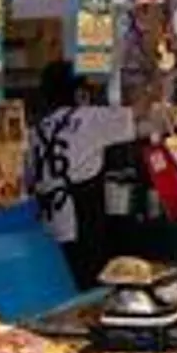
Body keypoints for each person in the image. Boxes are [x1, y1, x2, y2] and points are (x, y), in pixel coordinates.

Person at [29, 59, 135, 289]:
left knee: (61, 284)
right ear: (80, 93)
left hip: (48, 222)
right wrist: (160, 77)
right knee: (90, 284)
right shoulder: (87, 118)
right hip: (82, 218)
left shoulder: (37, 129)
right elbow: (140, 116)